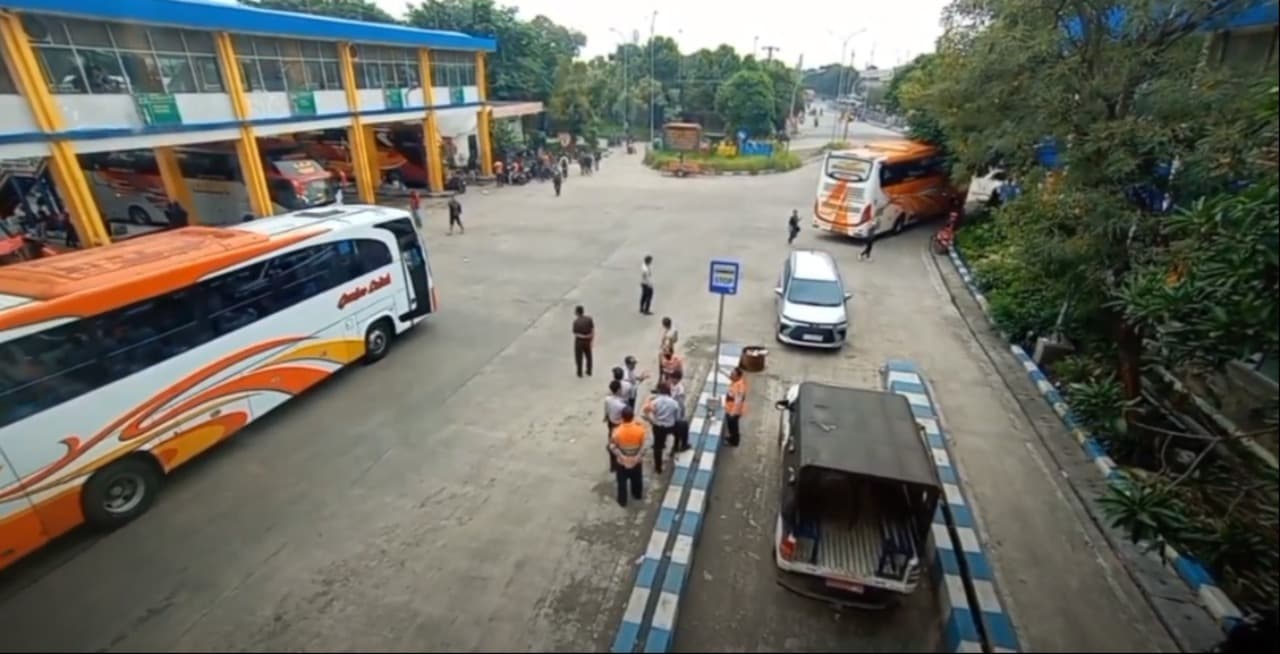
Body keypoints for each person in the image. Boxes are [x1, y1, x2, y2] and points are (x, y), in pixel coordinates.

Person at [609, 406, 647, 507]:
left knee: (622, 483)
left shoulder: (617, 432)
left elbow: (612, 447)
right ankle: (637, 495)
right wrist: (637, 457)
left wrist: (622, 457)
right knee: (637, 480)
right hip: (636, 461)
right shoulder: (640, 430)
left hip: (622, 462)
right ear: (633, 417)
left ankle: (622, 501)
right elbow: (643, 447)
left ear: (622, 417)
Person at [643, 381, 681, 473]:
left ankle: (658, 468)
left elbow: (646, 410)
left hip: (658, 426)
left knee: (657, 447)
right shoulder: (674, 403)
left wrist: (651, 420)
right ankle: (675, 447)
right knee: (678, 431)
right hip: (670, 426)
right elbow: (678, 417)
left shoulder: (655, 402)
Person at [603, 380, 629, 471]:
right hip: (619, 425)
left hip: (611, 422)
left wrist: (605, 416)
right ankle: (620, 463)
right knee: (620, 445)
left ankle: (612, 466)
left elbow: (606, 410)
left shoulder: (607, 399)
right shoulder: (622, 404)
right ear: (618, 390)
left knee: (611, 442)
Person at [723, 367, 747, 447]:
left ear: (738, 376)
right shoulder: (736, 381)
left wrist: (732, 414)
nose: (731, 375)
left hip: (734, 411)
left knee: (733, 426)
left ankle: (734, 441)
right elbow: (728, 376)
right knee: (731, 425)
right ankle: (731, 437)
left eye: (733, 374)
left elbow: (738, 401)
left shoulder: (739, 387)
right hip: (730, 409)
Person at [668, 370, 690, 452]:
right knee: (676, 429)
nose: (671, 379)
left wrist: (681, 414)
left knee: (681, 427)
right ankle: (676, 445)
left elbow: (680, 404)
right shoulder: (670, 385)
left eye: (673, 378)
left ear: (677, 379)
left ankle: (681, 444)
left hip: (678, 411)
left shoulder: (680, 389)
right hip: (671, 411)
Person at [572, 305, 594, 377]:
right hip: (588, 340)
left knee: (579, 357)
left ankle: (579, 372)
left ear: (577, 312)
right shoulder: (589, 319)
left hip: (579, 342)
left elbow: (575, 333)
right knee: (589, 356)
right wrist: (591, 339)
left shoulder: (576, 322)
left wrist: (583, 336)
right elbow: (592, 329)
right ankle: (589, 371)